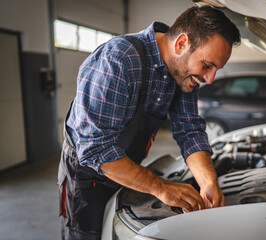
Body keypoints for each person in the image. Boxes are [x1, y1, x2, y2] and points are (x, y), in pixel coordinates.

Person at [58, 5, 240, 240]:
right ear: (181, 43)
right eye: (207, 65)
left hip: (129, 171)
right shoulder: (119, 61)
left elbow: (189, 130)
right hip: (86, 179)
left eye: (216, 69)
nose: (210, 78)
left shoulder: (183, 72)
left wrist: (208, 182)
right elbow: (95, 148)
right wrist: (160, 187)